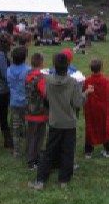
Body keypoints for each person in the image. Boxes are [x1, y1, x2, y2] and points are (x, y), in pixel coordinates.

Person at [28, 53, 93, 190]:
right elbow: (77, 102)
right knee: (68, 151)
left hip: (55, 122)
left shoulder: (48, 81)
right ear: (68, 66)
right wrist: (85, 93)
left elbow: (46, 96)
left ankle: (41, 180)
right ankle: (64, 179)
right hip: (69, 122)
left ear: (54, 66)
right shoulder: (73, 83)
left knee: (49, 151)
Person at [83, 59, 109, 158]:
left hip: (91, 109)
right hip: (103, 109)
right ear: (101, 68)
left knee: (90, 128)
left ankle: (88, 151)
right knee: (105, 128)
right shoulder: (106, 82)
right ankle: (107, 150)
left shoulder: (88, 81)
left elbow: (84, 94)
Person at [25, 53, 48, 169]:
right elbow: (45, 93)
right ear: (42, 63)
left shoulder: (28, 75)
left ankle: (34, 157)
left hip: (29, 110)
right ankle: (32, 160)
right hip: (39, 112)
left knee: (31, 136)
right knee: (38, 137)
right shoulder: (40, 78)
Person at [7, 46, 31, 157]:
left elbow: (9, 84)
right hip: (26, 102)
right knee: (27, 126)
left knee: (15, 127)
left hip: (14, 102)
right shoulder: (28, 70)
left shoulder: (8, 70)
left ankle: (16, 150)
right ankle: (28, 149)